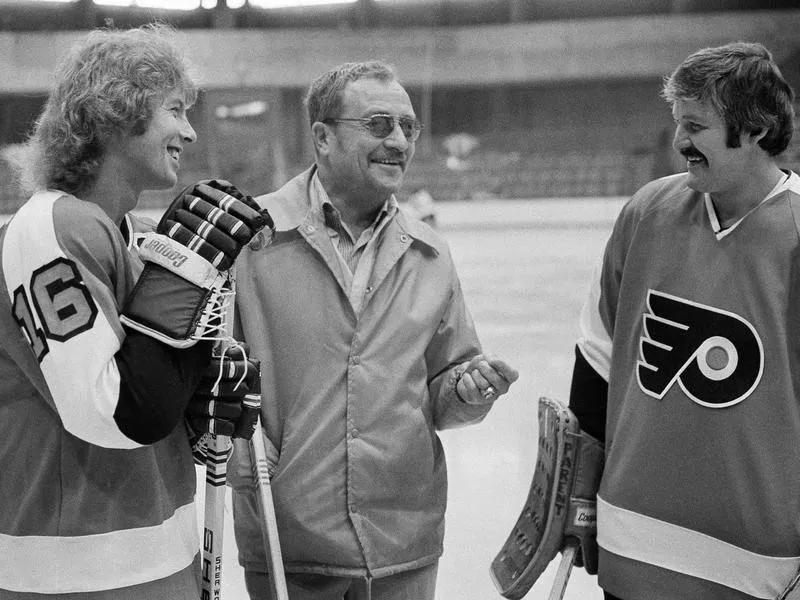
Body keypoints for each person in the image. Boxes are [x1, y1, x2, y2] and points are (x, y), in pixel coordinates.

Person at [228, 60, 519, 600]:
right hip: (289, 540)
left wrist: (466, 390)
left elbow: (444, 386)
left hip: (403, 547)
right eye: (380, 124)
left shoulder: (430, 253)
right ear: (322, 137)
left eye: (409, 127)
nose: (400, 141)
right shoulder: (252, 241)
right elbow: (205, 380)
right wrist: (239, 448)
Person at [0, 25, 267, 599]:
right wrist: (181, 287)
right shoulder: (50, 226)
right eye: (175, 110)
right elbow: (116, 412)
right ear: (118, 112)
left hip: (153, 551)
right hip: (75, 569)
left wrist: (195, 385)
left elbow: (152, 395)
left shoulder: (128, 236)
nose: (189, 132)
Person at [568, 42, 799, 599]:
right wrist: (576, 495)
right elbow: (597, 360)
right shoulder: (647, 210)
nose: (679, 141)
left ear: (758, 127)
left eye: (695, 125)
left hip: (758, 565)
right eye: (678, 122)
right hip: (630, 544)